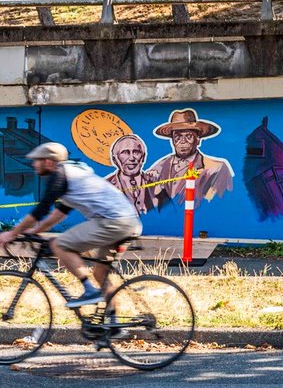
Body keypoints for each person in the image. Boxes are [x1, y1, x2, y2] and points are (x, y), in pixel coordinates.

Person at [0, 142, 142, 308]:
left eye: (37, 160)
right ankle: (113, 325)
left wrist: (11, 234)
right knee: (100, 273)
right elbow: (59, 213)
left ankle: (89, 290)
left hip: (113, 221)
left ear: (48, 161)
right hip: (127, 222)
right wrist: (37, 230)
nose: (33, 164)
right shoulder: (73, 174)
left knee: (58, 244)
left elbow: (41, 210)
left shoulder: (60, 175)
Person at [147, 108, 234, 205]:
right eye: (177, 137)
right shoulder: (159, 168)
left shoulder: (216, 169)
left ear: (198, 139)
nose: (183, 141)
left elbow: (222, 204)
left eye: (188, 136)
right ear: (172, 140)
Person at [105, 134, 159, 214]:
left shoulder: (155, 184)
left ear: (143, 157)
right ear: (115, 159)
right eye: (125, 153)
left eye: (136, 152)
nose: (131, 158)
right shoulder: (106, 186)